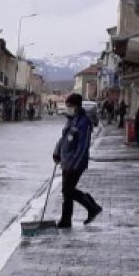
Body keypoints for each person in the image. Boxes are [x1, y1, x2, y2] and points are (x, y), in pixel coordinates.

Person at [53, 93, 103, 228]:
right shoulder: (70, 119)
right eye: (67, 105)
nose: (67, 108)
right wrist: (56, 152)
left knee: (67, 190)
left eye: (69, 106)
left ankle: (91, 206)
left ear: (76, 106)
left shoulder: (84, 122)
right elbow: (63, 139)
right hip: (65, 161)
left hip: (76, 163)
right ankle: (66, 220)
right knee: (67, 191)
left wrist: (74, 164)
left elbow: (83, 145)